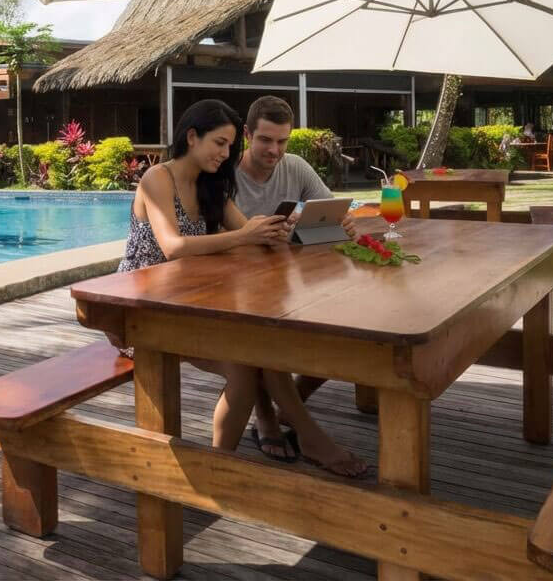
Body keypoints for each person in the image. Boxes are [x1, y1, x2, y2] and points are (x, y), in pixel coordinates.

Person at [118, 99, 367, 477]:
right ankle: (311, 439)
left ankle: (220, 467)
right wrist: (246, 234)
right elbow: (172, 247)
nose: (225, 153)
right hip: (140, 311)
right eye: (219, 143)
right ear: (191, 136)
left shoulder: (211, 183)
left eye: (230, 146)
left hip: (188, 301)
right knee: (254, 353)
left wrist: (285, 230)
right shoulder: (158, 179)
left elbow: (250, 233)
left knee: (250, 361)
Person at [232, 95, 367, 475]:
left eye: (283, 141)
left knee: (347, 326)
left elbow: (330, 212)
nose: (275, 150)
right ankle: (284, 424)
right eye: (265, 140)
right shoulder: (226, 176)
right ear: (247, 134)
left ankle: (286, 406)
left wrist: (341, 224)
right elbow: (219, 239)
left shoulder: (295, 167)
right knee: (263, 338)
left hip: (286, 280)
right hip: (235, 286)